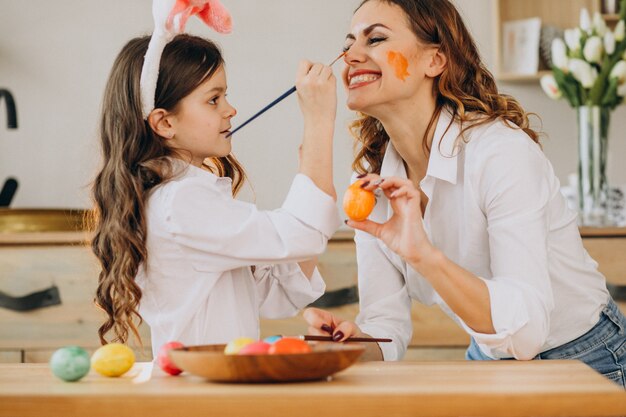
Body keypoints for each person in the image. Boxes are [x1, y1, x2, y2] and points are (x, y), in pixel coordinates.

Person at [304, 0, 626, 387]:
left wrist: (422, 255)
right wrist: (351, 344)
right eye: (349, 42)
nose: (349, 56)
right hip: (488, 357)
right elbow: (385, 326)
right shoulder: (372, 182)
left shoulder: (500, 152)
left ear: (435, 60)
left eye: (375, 39)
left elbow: (527, 333)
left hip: (587, 359)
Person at [91, 33, 341, 358]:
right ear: (165, 122)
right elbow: (305, 234)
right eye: (214, 100)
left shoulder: (180, 196)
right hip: (202, 395)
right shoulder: (181, 200)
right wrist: (319, 120)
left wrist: (314, 174)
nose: (230, 110)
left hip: (210, 389)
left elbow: (274, 293)